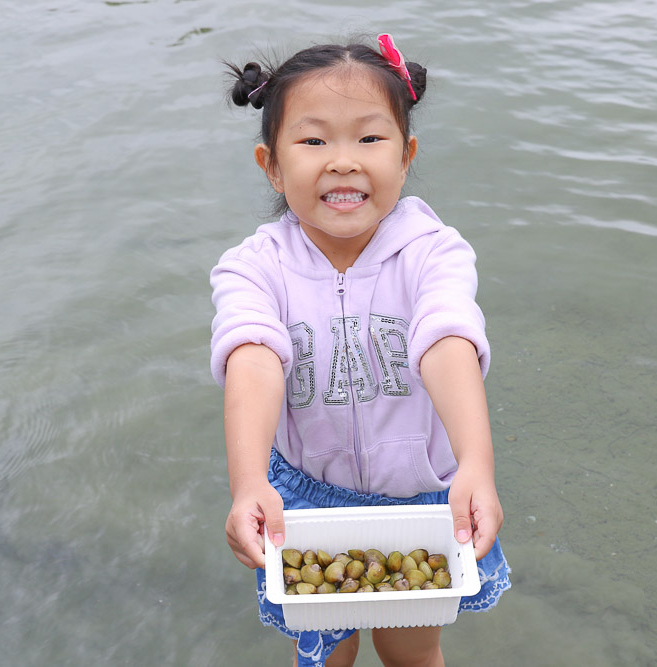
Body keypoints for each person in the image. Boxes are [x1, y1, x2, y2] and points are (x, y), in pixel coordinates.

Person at [210, 34, 511, 667]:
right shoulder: (254, 268)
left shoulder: (434, 253)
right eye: (314, 140)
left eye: (370, 139)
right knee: (325, 655)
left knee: (412, 651)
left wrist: (476, 464)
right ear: (270, 163)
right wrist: (247, 485)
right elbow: (253, 357)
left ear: (407, 156)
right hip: (304, 500)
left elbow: (446, 340)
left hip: (420, 496)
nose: (343, 161)